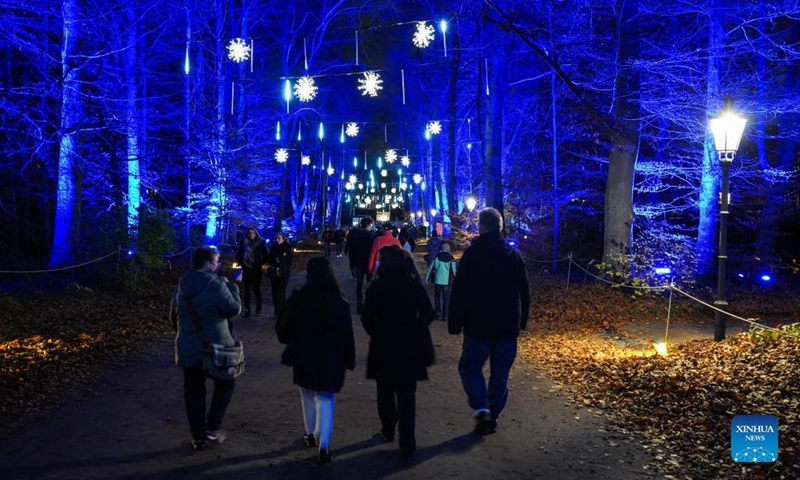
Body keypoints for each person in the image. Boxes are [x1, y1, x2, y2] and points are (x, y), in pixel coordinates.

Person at [448, 207, 530, 436]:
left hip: (478, 323)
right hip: (507, 324)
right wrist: (522, 320)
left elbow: (460, 290)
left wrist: (455, 321)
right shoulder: (513, 255)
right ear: (500, 227)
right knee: (500, 375)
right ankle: (492, 415)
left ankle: (482, 409)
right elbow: (524, 290)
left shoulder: (473, 254)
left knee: (470, 367)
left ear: (481, 227)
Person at [276, 257, 356, 465]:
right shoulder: (339, 302)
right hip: (332, 357)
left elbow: (284, 329)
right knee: (326, 399)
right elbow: (347, 333)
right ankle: (324, 445)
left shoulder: (299, 298)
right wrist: (350, 358)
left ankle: (310, 433)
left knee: (307, 396)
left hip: (304, 355)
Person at [361, 245, 435, 457]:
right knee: (407, 394)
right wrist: (415, 328)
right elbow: (428, 313)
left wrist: (377, 333)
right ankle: (407, 440)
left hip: (383, 345)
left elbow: (366, 318)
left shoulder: (377, 286)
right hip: (409, 345)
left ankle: (388, 429)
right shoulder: (413, 284)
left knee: (384, 391)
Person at [169, 246, 241, 452]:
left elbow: (174, 318)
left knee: (194, 390)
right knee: (226, 383)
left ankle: (197, 437)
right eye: (216, 261)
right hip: (216, 344)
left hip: (189, 345)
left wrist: (187, 334)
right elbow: (233, 309)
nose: (218, 264)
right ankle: (213, 427)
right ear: (209, 264)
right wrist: (231, 287)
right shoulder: (216, 284)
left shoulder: (181, 286)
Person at [235, 227, 268, 317]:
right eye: (249, 233)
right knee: (247, 289)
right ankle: (247, 309)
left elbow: (266, 256)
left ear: (256, 234)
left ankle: (258, 306)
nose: (251, 234)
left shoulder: (260, 243)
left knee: (256, 288)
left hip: (256, 269)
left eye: (253, 232)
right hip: (246, 269)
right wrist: (242, 262)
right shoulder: (244, 242)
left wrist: (259, 262)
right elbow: (238, 255)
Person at [344, 217, 374, 313]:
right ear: (368, 225)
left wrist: (352, 265)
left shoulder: (355, 235)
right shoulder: (371, 236)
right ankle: (368, 305)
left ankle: (359, 305)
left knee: (359, 285)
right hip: (368, 263)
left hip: (358, 263)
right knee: (369, 285)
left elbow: (352, 251)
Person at [425, 243, 457, 321]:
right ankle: (445, 315)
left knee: (437, 297)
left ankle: (438, 313)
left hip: (437, 281)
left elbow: (431, 268)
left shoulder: (437, 257)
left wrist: (427, 278)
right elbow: (454, 272)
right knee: (446, 298)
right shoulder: (451, 259)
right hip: (446, 282)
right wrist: (457, 280)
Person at [267, 231, 293, 317]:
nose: (277, 240)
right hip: (274, 272)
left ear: (283, 239)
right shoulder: (273, 247)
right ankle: (276, 307)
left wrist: (282, 263)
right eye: (276, 238)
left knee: (282, 290)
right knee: (274, 291)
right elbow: (269, 259)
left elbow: (289, 261)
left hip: (284, 272)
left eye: (279, 238)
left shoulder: (287, 247)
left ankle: (282, 308)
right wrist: (274, 261)